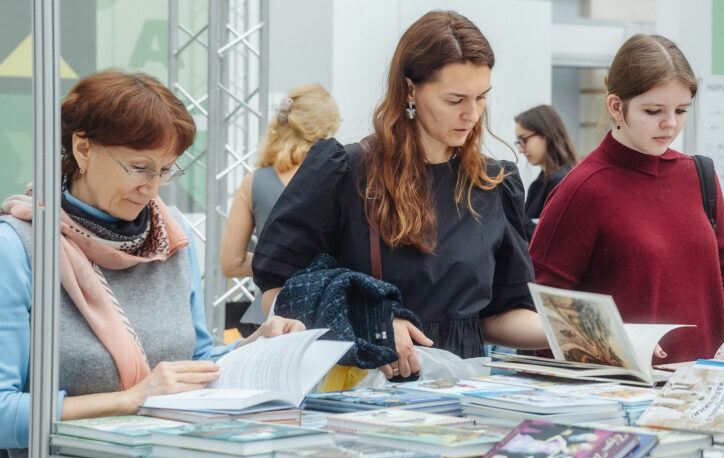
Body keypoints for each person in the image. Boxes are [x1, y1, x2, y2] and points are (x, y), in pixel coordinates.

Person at [0, 70, 305, 458]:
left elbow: (194, 360)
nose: (153, 187)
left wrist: (257, 345)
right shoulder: (19, 247)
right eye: (140, 168)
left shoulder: (170, 235)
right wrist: (129, 399)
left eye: (167, 170)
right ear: (83, 149)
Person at [251, 10, 549, 380]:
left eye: (482, 97)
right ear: (410, 89)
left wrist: (585, 335)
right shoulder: (345, 172)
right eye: (455, 99)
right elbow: (278, 295)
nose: (472, 115)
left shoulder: (495, 183)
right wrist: (366, 319)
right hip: (365, 397)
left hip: (464, 397)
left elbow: (498, 316)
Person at [529, 34, 724, 364]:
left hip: (703, 391)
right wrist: (615, 343)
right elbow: (542, 310)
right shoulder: (582, 189)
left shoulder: (698, 176)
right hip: (620, 398)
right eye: (653, 110)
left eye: (681, 110)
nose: (670, 123)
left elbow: (722, 283)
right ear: (616, 106)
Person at [219, 84, 340, 326]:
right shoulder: (342, 176)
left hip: (267, 318)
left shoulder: (255, 182)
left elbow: (230, 263)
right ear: (327, 128)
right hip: (328, 313)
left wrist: (274, 262)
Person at [514, 104, 578, 239]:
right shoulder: (545, 181)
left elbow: (550, 239)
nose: (520, 149)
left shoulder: (561, 181)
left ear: (546, 134)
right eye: (518, 142)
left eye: (523, 140)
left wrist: (515, 214)